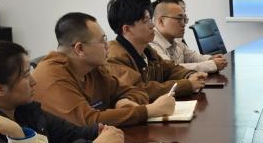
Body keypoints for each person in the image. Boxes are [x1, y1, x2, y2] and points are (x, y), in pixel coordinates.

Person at [34, 12, 175, 127]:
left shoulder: (92, 67)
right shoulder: (52, 76)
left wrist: (124, 100)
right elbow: (88, 121)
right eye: (102, 41)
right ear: (80, 48)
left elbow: (135, 90)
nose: (108, 46)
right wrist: (150, 110)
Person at [105, 0, 206, 101]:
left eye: (150, 19)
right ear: (127, 29)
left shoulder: (146, 49)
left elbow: (169, 69)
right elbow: (140, 90)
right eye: (145, 21)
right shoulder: (114, 58)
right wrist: (187, 85)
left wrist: (189, 75)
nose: (152, 25)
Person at [150, 0, 228, 73]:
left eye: (184, 19)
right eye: (179, 19)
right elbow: (170, 69)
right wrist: (211, 65)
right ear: (161, 21)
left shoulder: (175, 39)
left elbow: (191, 56)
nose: (183, 24)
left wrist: (210, 58)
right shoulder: (151, 42)